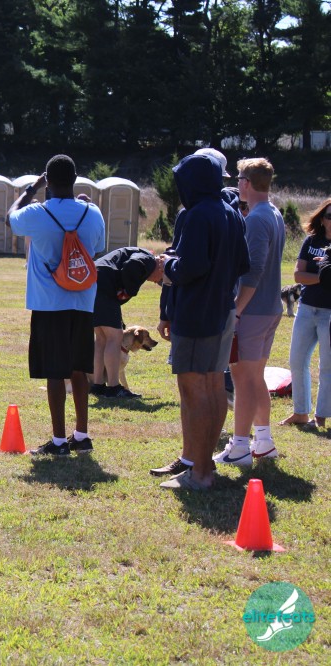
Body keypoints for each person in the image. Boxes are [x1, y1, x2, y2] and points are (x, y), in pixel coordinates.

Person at [153, 152, 249, 489]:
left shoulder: (196, 215)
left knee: (195, 392)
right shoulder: (231, 212)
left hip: (196, 314)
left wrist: (166, 267)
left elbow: (191, 267)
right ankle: (202, 465)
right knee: (212, 387)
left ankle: (200, 473)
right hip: (222, 310)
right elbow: (242, 263)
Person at [8, 155, 105, 455]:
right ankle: (82, 435)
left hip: (49, 303)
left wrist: (31, 188)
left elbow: (11, 217)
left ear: (48, 182)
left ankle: (59, 440)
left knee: (54, 372)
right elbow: (97, 248)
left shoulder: (37, 212)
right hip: (83, 302)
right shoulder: (93, 213)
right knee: (79, 369)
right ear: (75, 180)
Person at [215, 158, 285, 467]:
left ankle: (240, 446)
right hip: (269, 308)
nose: (237, 184)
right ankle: (264, 441)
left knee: (242, 380)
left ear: (246, 183)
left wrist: (237, 310)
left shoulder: (256, 218)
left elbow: (253, 270)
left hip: (253, 310)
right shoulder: (274, 212)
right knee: (255, 378)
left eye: (239, 179)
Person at [280, 199, 331, 429]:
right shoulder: (311, 241)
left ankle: (321, 416)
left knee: (327, 365)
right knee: (297, 360)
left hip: (329, 313)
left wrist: (318, 276)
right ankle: (300, 413)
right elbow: (298, 276)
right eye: (329, 216)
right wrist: (324, 276)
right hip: (307, 309)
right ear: (322, 219)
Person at [90, 247, 163, 398]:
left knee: (101, 338)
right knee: (115, 337)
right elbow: (131, 265)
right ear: (160, 266)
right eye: (159, 279)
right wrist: (130, 290)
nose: (155, 281)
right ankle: (113, 387)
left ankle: (97, 385)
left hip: (93, 279)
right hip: (105, 284)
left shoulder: (144, 256)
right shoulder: (148, 260)